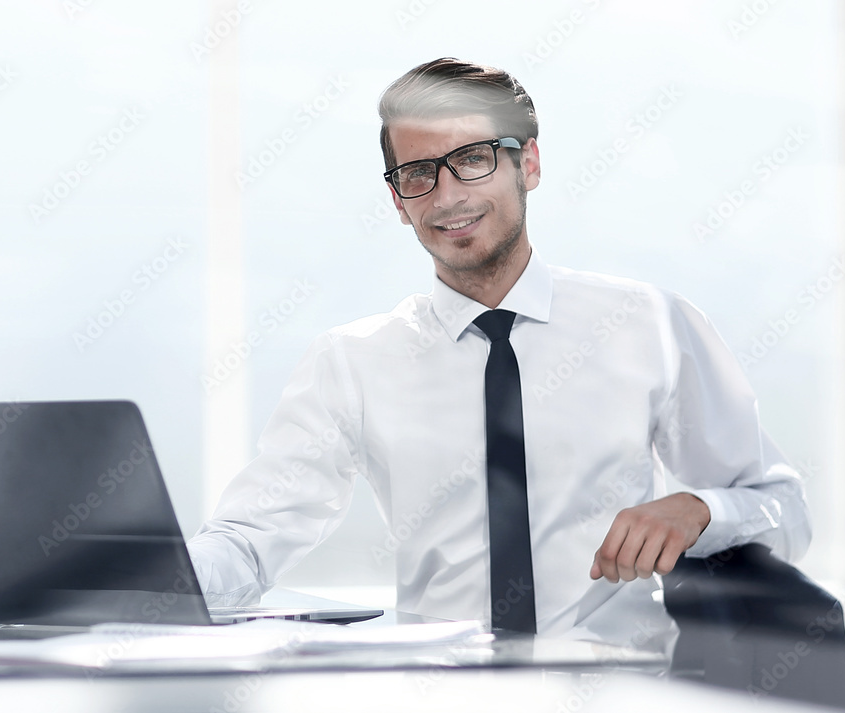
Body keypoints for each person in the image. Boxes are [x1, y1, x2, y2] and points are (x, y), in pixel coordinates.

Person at [187, 57, 811, 651]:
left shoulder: (649, 324)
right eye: (418, 173)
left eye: (473, 159)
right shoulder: (351, 362)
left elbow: (784, 511)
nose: (447, 195)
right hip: (439, 692)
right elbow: (248, 539)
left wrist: (703, 508)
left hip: (623, 688)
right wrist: (143, 575)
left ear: (528, 163)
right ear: (399, 202)